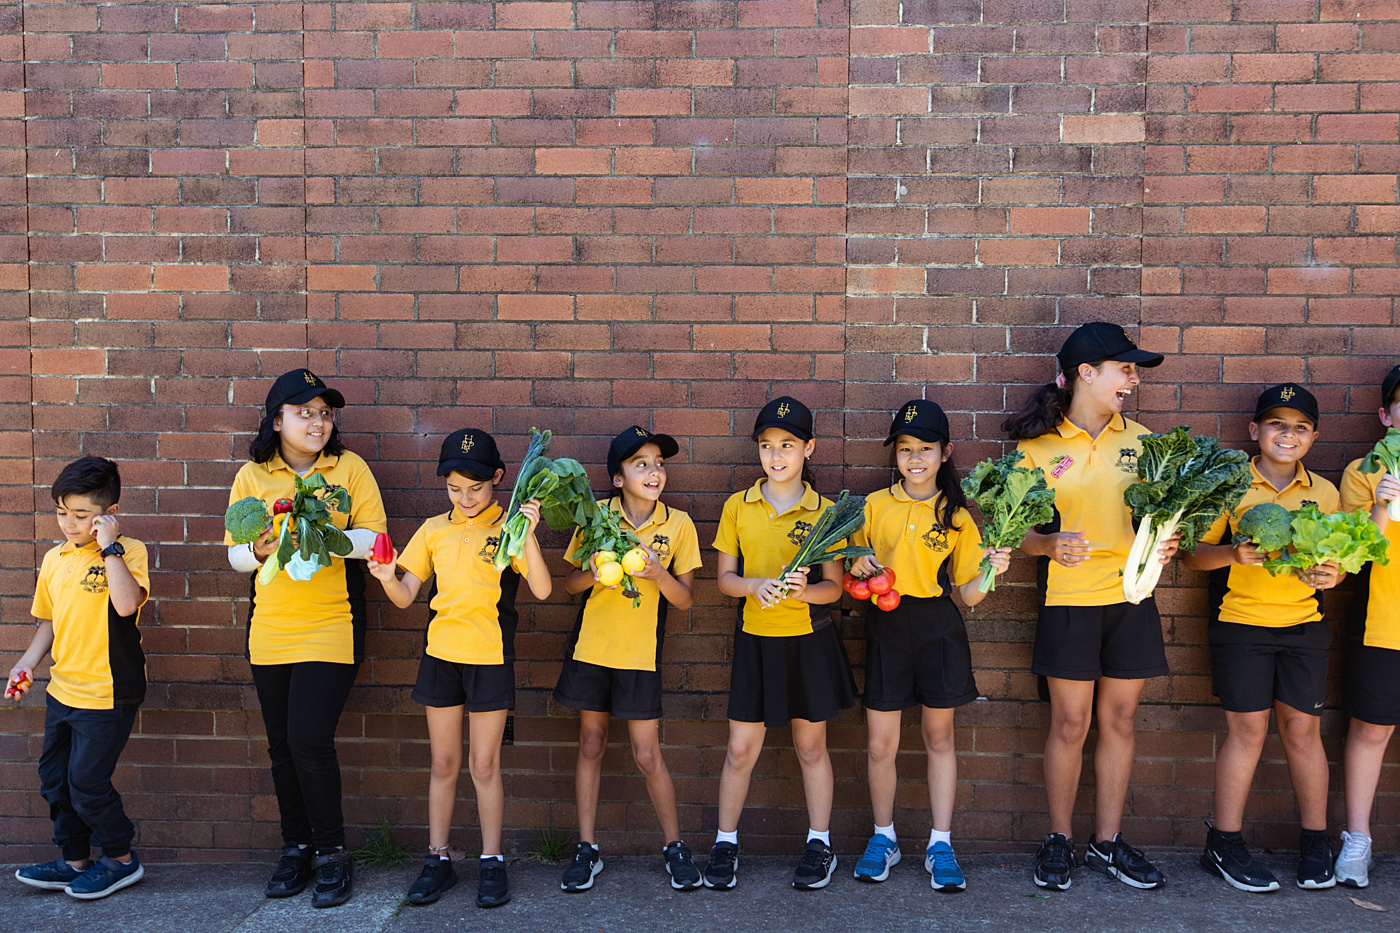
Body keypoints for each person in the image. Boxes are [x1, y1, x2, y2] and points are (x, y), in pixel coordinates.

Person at [1003, 322, 1174, 891]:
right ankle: (1059, 839)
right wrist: (1048, 544)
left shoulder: (1148, 442)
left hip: (1131, 597)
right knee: (1071, 723)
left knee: (1120, 721)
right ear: (1086, 373)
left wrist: (1169, 540)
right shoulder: (1036, 450)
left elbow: (1165, 519)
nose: (1132, 380)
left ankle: (1107, 842)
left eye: (1134, 371)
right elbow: (1014, 536)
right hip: (1070, 601)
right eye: (1125, 369)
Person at [369, 428, 552, 908]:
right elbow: (407, 596)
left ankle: (492, 862)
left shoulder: (509, 526)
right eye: (454, 488)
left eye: (476, 487)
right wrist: (389, 577)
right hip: (440, 658)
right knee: (444, 763)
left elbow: (543, 589)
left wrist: (528, 533)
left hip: (490, 659)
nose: (465, 498)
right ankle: (438, 860)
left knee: (484, 765)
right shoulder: (433, 529)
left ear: (497, 479)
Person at [224, 369, 387, 908]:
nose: (318, 422)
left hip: (331, 622)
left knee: (309, 741)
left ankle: (332, 853)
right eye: (305, 412)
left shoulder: (350, 469)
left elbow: (377, 541)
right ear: (277, 420)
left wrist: (317, 530)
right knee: (280, 745)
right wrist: (269, 547)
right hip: (270, 625)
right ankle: (294, 849)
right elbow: (234, 554)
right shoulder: (252, 477)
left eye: (325, 412)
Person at [1184, 384, 1342, 892]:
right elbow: (1192, 555)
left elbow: (1339, 563)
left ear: (1314, 437)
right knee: (1247, 733)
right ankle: (1224, 842)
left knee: (1302, 732)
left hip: (1303, 626)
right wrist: (1234, 554)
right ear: (1255, 431)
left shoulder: (1325, 492)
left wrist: (1331, 576)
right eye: (1276, 423)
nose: (1287, 434)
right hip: (1241, 626)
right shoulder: (1231, 485)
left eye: (1299, 426)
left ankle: (1316, 841)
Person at [848, 401, 1010, 891]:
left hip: (939, 627)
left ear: (945, 453)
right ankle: (884, 837)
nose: (914, 458)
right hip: (886, 626)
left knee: (940, 739)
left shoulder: (958, 516)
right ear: (894, 455)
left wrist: (991, 570)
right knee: (881, 743)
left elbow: (968, 595)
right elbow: (850, 570)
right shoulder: (872, 506)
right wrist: (857, 570)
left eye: (925, 448)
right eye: (905, 449)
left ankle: (941, 842)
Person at [704, 397, 856, 892]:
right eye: (767, 447)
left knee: (810, 746)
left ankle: (820, 843)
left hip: (809, 642)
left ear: (808, 448)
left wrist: (804, 590)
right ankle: (725, 843)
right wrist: (754, 585)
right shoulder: (737, 506)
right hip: (756, 642)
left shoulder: (829, 513)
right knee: (740, 748)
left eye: (787, 446)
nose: (776, 456)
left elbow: (834, 588)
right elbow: (724, 578)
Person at [555, 427, 704, 892]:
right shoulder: (596, 516)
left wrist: (658, 572)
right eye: (641, 463)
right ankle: (587, 848)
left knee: (646, 753)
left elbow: (684, 600)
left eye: (659, 462)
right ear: (618, 478)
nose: (654, 471)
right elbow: (570, 584)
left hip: (640, 656)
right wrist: (596, 575)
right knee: (591, 744)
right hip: (593, 649)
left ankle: (675, 847)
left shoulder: (678, 524)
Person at [9, 457, 149, 900]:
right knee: (55, 779)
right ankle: (75, 860)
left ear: (108, 513)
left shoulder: (129, 551)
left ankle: (122, 859)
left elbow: (127, 606)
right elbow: (48, 622)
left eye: (82, 515)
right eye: (61, 512)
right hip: (62, 690)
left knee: (87, 783)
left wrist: (109, 546)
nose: (69, 523)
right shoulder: (55, 558)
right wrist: (27, 663)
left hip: (108, 693)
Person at [1335, 365, 1400, 888]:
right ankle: (1357, 839)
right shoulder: (1364, 471)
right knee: (1371, 729)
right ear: (1386, 415)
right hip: (1385, 619)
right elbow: (1357, 556)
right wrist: (1383, 504)